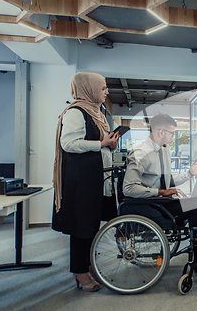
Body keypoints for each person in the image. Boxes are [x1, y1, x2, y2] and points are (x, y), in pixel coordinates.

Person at [122, 113, 197, 272]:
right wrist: (161, 192)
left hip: (161, 202)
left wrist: (190, 173)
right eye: (171, 133)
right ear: (161, 132)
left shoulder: (163, 151)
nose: (172, 137)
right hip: (147, 205)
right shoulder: (140, 153)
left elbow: (167, 182)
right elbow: (129, 189)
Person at [52, 72, 120, 292]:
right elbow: (69, 144)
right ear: (88, 89)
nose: (106, 92)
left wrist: (110, 145)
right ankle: (80, 272)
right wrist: (101, 144)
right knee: (82, 228)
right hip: (81, 181)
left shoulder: (97, 112)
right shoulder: (75, 112)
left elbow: (99, 144)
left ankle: (87, 265)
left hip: (95, 178)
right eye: (102, 88)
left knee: (91, 226)